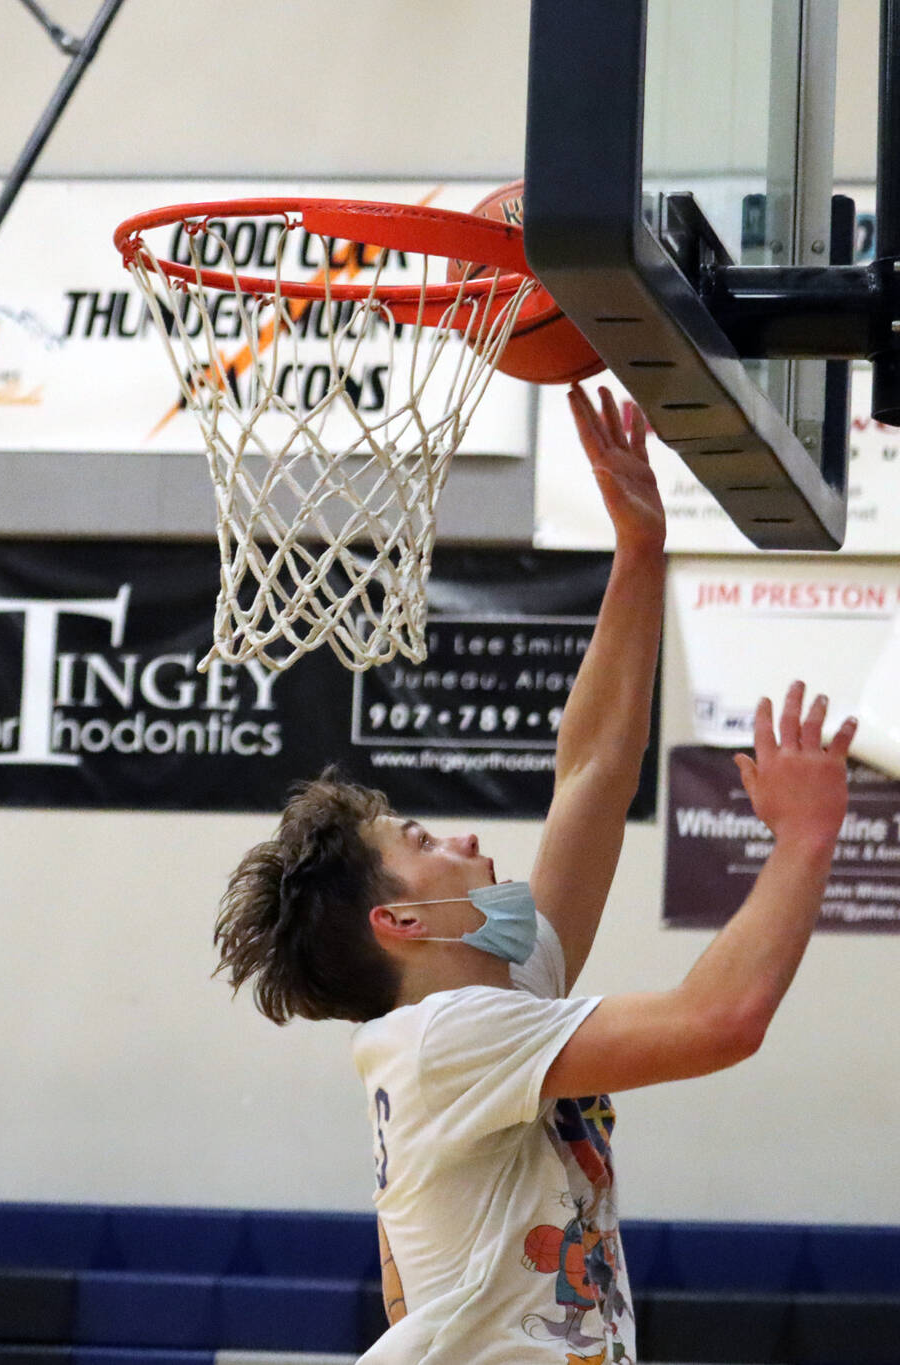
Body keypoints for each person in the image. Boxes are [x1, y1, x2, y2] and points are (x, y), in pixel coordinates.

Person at [213, 385, 857, 1365]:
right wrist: (804, 839)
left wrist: (638, 551)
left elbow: (591, 774)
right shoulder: (452, 1035)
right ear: (402, 921)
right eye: (422, 839)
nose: (465, 844)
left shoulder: (481, 1009)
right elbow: (718, 1021)